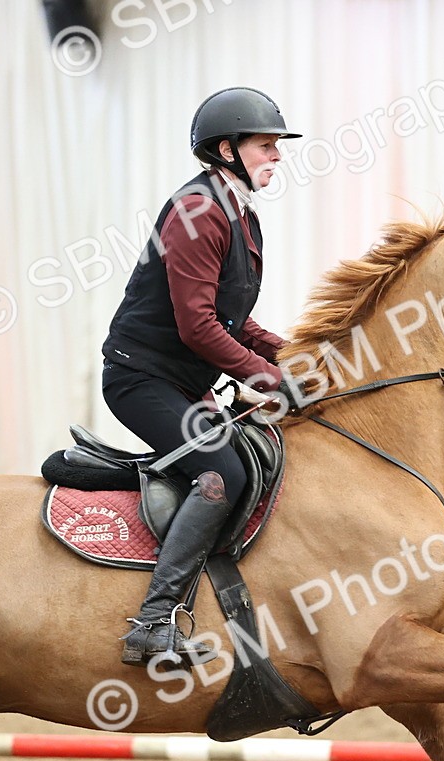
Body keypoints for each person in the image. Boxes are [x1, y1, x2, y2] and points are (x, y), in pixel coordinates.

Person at [102, 87, 301, 667]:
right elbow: (197, 327)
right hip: (141, 381)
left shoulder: (241, 216)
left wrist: (296, 354)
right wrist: (265, 375)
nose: (277, 157)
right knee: (222, 470)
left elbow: (235, 320)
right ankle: (153, 622)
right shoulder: (196, 212)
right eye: (267, 146)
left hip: (184, 385)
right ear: (226, 149)